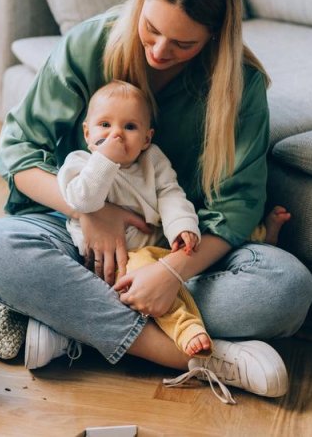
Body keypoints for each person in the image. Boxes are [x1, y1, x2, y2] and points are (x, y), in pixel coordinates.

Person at [0, 0, 312, 401]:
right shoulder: (91, 43)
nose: (158, 50)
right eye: (151, 29)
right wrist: (91, 213)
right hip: (76, 234)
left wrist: (171, 273)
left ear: (215, 35)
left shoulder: (240, 85)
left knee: (286, 288)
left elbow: (237, 209)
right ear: (139, 5)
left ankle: (75, 326)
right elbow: (18, 151)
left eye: (183, 43)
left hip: (176, 249)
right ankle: (190, 355)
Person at [59, 79, 211, 358]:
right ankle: (186, 328)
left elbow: (170, 194)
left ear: (147, 138)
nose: (116, 134)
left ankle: (263, 235)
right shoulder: (79, 163)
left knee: (204, 236)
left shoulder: (152, 160)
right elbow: (83, 201)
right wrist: (105, 159)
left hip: (159, 245)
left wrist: (182, 227)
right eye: (105, 125)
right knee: (141, 271)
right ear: (86, 132)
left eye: (129, 127)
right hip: (120, 260)